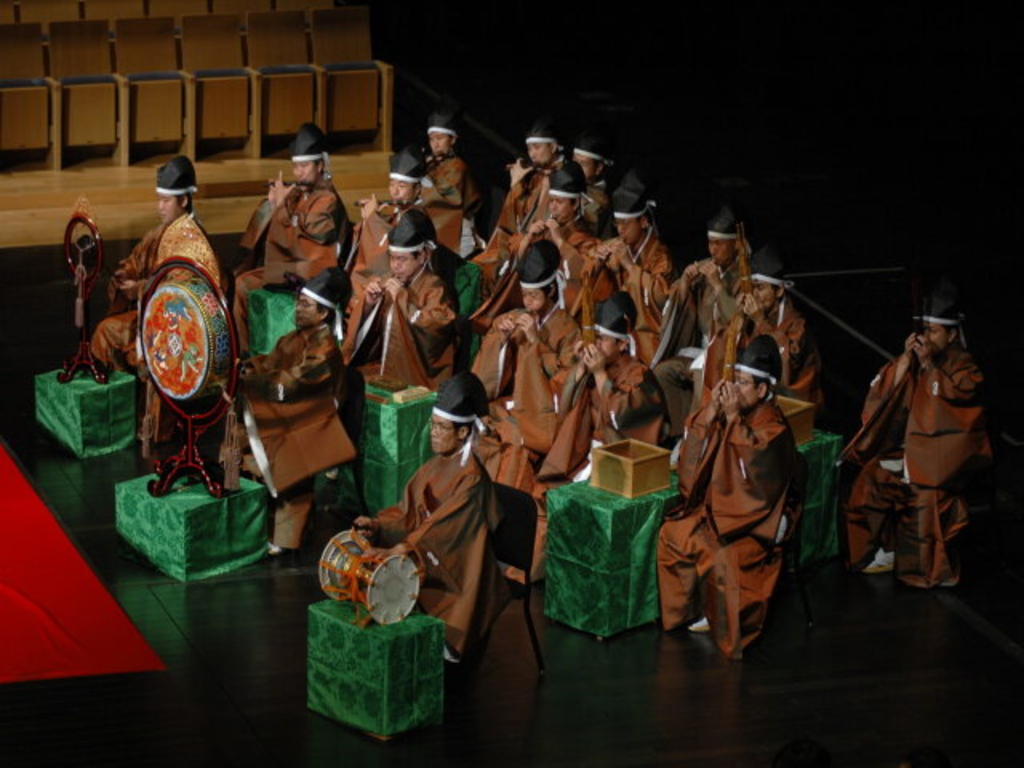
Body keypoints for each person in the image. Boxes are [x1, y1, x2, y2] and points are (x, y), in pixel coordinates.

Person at [657, 335, 799, 659]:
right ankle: (687, 611)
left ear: (762, 391)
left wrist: (732, 418)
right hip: (722, 509)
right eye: (733, 380)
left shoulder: (773, 427)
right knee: (672, 534)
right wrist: (712, 412)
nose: (734, 389)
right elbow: (695, 459)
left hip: (755, 521)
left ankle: (721, 621)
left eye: (743, 383)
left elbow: (755, 481)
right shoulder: (735, 412)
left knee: (725, 559)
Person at [353, 372, 511, 662]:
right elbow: (407, 513)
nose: (434, 433)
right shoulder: (436, 464)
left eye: (441, 428)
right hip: (432, 549)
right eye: (433, 425)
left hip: (461, 565)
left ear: (463, 433)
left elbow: (442, 531)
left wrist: (404, 548)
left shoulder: (472, 479)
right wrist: (378, 525)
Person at [842, 278, 990, 588]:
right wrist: (907, 360)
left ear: (951, 334)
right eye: (924, 331)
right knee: (871, 480)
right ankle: (878, 551)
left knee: (925, 498)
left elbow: (952, 410)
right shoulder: (920, 359)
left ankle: (927, 571)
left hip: (942, 465)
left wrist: (928, 368)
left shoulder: (966, 370)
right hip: (912, 454)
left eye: (933, 332)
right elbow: (887, 394)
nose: (926, 338)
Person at [240, 268, 356, 554]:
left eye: (306, 305)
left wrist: (258, 380)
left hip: (318, 418)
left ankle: (287, 537)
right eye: (298, 302)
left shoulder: (326, 348)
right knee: (243, 425)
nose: (298, 308)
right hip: (298, 407)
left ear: (324, 314)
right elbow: (272, 363)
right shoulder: (293, 339)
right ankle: (254, 518)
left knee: (288, 451)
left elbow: (297, 381)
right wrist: (250, 367)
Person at [92, 156, 221, 372]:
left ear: (184, 201)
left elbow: (185, 291)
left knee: (113, 333)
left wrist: (141, 289)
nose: (160, 207)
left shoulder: (196, 242)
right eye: (158, 200)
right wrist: (127, 274)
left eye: (166, 201)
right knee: (106, 330)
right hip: (150, 312)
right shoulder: (158, 233)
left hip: (178, 325)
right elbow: (137, 259)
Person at [235, 123, 350, 352]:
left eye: (305, 166)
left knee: (246, 284)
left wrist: (282, 208)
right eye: (296, 166)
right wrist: (274, 205)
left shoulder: (328, 199)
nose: (298, 173)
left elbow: (310, 240)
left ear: (320, 165)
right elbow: (287, 227)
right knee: (242, 283)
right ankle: (244, 354)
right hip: (292, 267)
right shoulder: (300, 192)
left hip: (315, 273)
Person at [539, 291, 666, 484]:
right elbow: (563, 406)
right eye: (593, 338)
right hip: (582, 454)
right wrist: (581, 367)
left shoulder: (639, 375)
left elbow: (622, 418)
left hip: (619, 459)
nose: (595, 346)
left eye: (602, 340)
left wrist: (599, 374)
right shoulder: (593, 366)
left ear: (622, 344)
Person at [472, 240, 580, 457]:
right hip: (513, 398)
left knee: (508, 436)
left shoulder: (568, 328)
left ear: (550, 290)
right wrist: (500, 339)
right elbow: (491, 371)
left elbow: (565, 377)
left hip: (541, 407)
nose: (528, 301)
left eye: (534, 295)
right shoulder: (514, 317)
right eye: (524, 295)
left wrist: (534, 342)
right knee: (481, 416)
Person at [471, 160, 598, 333]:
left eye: (559, 202)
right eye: (551, 201)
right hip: (531, 307)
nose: (552, 207)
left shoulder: (587, 240)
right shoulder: (543, 229)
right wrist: (528, 238)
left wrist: (560, 243)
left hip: (561, 317)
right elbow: (514, 260)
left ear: (575, 204)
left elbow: (583, 274)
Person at [653, 204, 746, 438]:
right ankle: (677, 433)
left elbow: (737, 319)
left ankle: (694, 438)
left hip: (727, 353)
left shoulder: (745, 275)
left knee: (700, 376)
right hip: (703, 348)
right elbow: (681, 302)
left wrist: (717, 284)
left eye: (719, 244)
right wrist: (685, 282)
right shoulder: (709, 266)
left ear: (735, 244)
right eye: (710, 243)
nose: (712, 250)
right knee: (663, 372)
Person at [343, 209, 457, 389]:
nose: (395, 266)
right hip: (383, 363)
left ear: (422, 256)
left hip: (415, 371)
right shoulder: (389, 280)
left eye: (402, 260)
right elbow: (372, 333)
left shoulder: (435, 287)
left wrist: (403, 299)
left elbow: (437, 330)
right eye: (392, 258)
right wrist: (370, 304)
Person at [700, 244, 823, 409]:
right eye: (751, 288)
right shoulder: (749, 315)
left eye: (759, 288)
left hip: (788, 400)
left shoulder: (796, 324)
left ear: (778, 290)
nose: (753, 295)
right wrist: (738, 319)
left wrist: (760, 321)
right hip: (752, 387)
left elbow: (785, 367)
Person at [585, 168, 675, 365]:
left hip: (645, 332)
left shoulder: (660, 255)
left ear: (643, 222)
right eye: (617, 224)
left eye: (626, 224)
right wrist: (598, 262)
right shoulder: (617, 244)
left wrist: (628, 265)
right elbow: (590, 259)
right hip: (613, 325)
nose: (621, 230)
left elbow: (660, 297)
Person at [472, 115, 564, 299]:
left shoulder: (565, 178)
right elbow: (514, 218)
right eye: (530, 148)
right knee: (475, 267)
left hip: (543, 247)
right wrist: (517, 184)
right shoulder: (534, 177)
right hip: (521, 241)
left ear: (553, 147)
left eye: (537, 147)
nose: (532, 154)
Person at [345, 143, 427, 280]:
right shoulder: (398, 211)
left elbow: (385, 258)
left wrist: (373, 219)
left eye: (402, 186)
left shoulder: (417, 217)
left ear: (417, 189)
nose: (394, 192)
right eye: (392, 184)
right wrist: (372, 219)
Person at [421, 100, 484, 257]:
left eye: (440, 138)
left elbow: (447, 199)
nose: (435, 144)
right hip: (436, 223)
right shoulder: (430, 163)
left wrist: (422, 178)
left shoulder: (457, 166)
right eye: (432, 139)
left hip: (458, 227)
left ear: (453, 140)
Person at [572, 126, 616, 239]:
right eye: (575, 161)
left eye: (583, 164)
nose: (576, 168)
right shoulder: (570, 182)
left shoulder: (601, 203)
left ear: (599, 168)